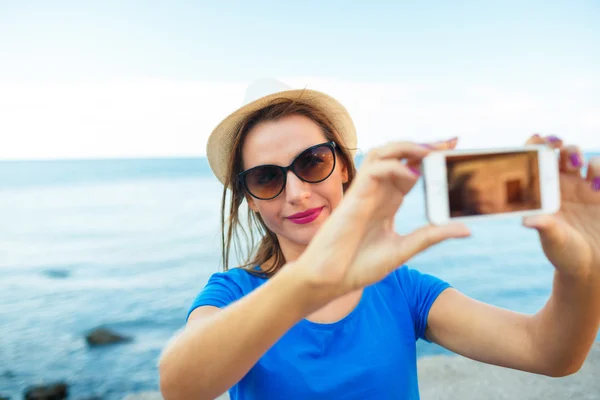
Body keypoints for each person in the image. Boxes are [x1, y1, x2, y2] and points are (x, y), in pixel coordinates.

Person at [158, 79, 600, 400]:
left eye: (312, 162)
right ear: (251, 200)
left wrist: (583, 271)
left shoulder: (401, 288)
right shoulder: (233, 293)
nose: (296, 193)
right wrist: (309, 281)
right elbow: (181, 385)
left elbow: (550, 352)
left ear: (345, 168)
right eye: (267, 177)